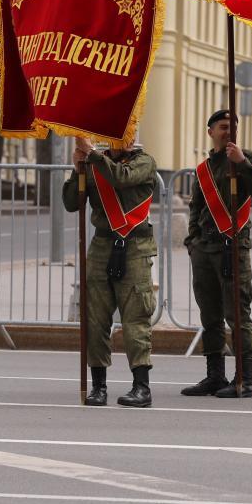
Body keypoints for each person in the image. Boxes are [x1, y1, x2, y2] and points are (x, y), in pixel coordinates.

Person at [63, 136, 158, 408]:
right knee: (95, 318)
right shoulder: (93, 164)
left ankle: (141, 387)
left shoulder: (144, 161)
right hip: (102, 245)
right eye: (121, 133)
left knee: (135, 318)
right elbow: (72, 203)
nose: (127, 139)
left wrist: (92, 154)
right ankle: (99, 386)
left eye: (131, 133)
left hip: (135, 245)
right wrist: (77, 169)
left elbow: (120, 178)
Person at [182, 110, 252, 399]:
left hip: (232, 249)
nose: (228, 131)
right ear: (210, 132)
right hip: (204, 250)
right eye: (222, 127)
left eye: (233, 126)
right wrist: (192, 240)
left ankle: (244, 378)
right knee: (210, 315)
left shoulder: (249, 158)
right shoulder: (204, 169)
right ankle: (214, 375)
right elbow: (195, 207)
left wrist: (242, 164)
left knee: (237, 314)